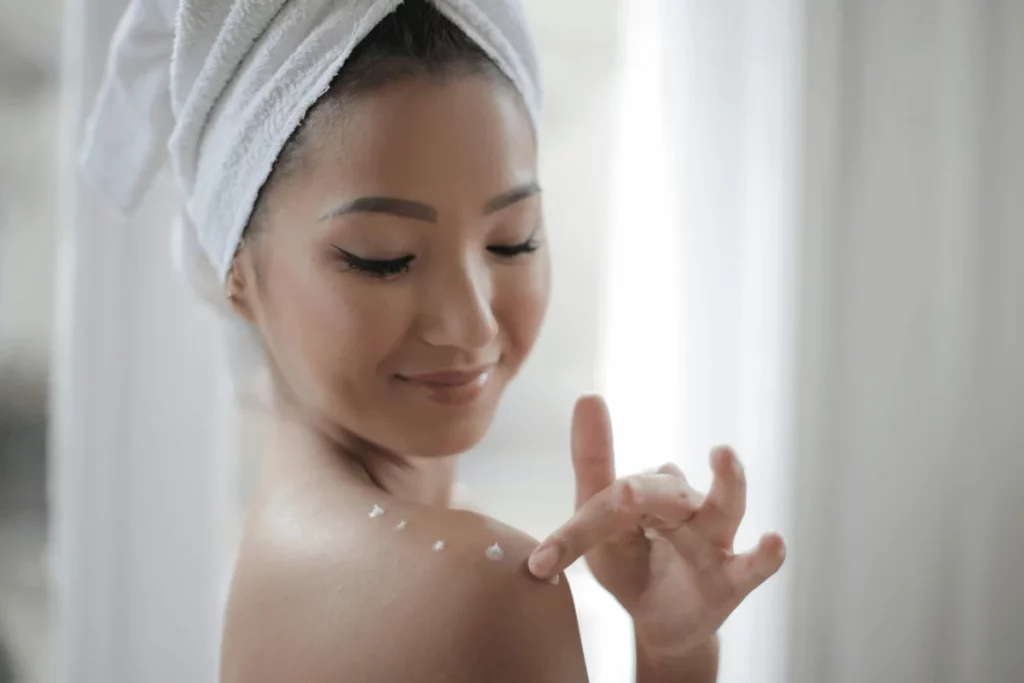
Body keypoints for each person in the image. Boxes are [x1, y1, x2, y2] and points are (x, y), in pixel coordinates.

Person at [84, 1, 785, 681]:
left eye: (514, 241)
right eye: (382, 257)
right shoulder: (472, 592)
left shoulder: (289, 547)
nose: (473, 323)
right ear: (236, 272)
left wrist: (674, 651)